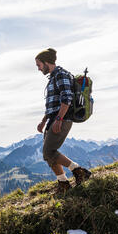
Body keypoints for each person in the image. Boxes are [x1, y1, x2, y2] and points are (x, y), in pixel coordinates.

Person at [35, 48, 92, 192]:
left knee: (49, 152)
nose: (38, 68)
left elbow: (67, 98)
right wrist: (44, 120)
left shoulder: (61, 75)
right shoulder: (53, 77)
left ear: (47, 62)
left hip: (62, 118)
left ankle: (79, 171)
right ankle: (63, 183)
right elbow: (52, 104)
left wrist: (59, 118)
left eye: (39, 65)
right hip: (53, 118)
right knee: (48, 155)